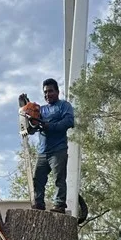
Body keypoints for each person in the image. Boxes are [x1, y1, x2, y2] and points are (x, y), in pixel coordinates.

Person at [32, 78, 74, 213]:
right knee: (38, 179)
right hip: (43, 151)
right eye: (45, 92)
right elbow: (31, 126)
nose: (47, 94)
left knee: (59, 178)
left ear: (57, 91)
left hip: (58, 149)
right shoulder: (40, 110)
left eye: (50, 91)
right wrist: (26, 107)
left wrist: (50, 126)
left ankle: (59, 204)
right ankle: (39, 204)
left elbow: (68, 122)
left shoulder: (64, 106)